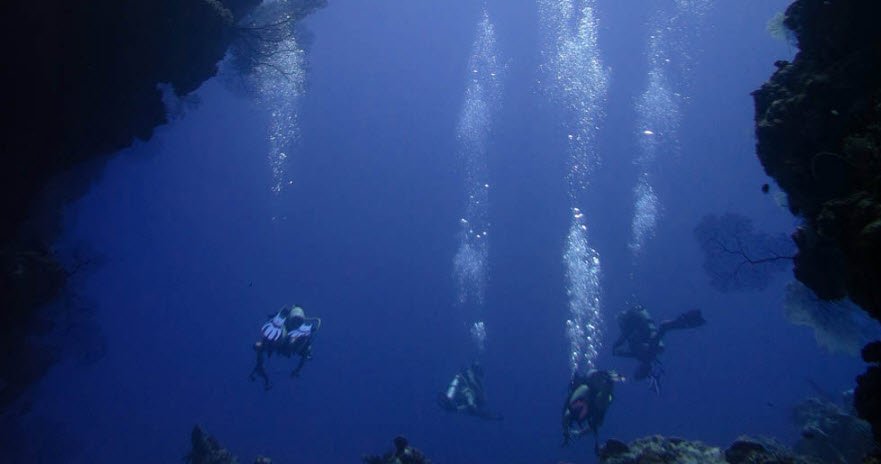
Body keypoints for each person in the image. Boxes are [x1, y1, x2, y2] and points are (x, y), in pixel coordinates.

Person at [611, 305, 705, 393]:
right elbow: (663, 327)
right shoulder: (648, 354)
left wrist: (617, 349)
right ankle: (688, 319)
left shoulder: (641, 355)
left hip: (638, 324)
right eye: (639, 371)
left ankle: (688, 320)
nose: (637, 369)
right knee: (662, 328)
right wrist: (683, 321)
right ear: (642, 370)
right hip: (640, 326)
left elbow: (624, 351)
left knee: (660, 329)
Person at [249, 304, 322, 390]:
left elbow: (261, 345)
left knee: (277, 339)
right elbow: (305, 354)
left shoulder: (284, 331)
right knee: (294, 343)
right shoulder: (298, 339)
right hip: (290, 341)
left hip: (283, 340)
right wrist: (297, 370)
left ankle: (260, 367)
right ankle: (294, 339)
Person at [561, 370, 621, 453]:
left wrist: (569, 433)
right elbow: (568, 415)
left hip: (590, 404)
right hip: (588, 403)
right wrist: (568, 432)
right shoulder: (584, 392)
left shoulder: (598, 398)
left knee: (603, 399)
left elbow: (596, 423)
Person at [437, 362, 502, 420]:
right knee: (466, 392)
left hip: (472, 403)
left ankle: (452, 404)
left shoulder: (476, 382)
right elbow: (454, 385)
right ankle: (450, 401)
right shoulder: (463, 377)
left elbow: (479, 401)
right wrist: (449, 398)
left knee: (467, 396)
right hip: (467, 402)